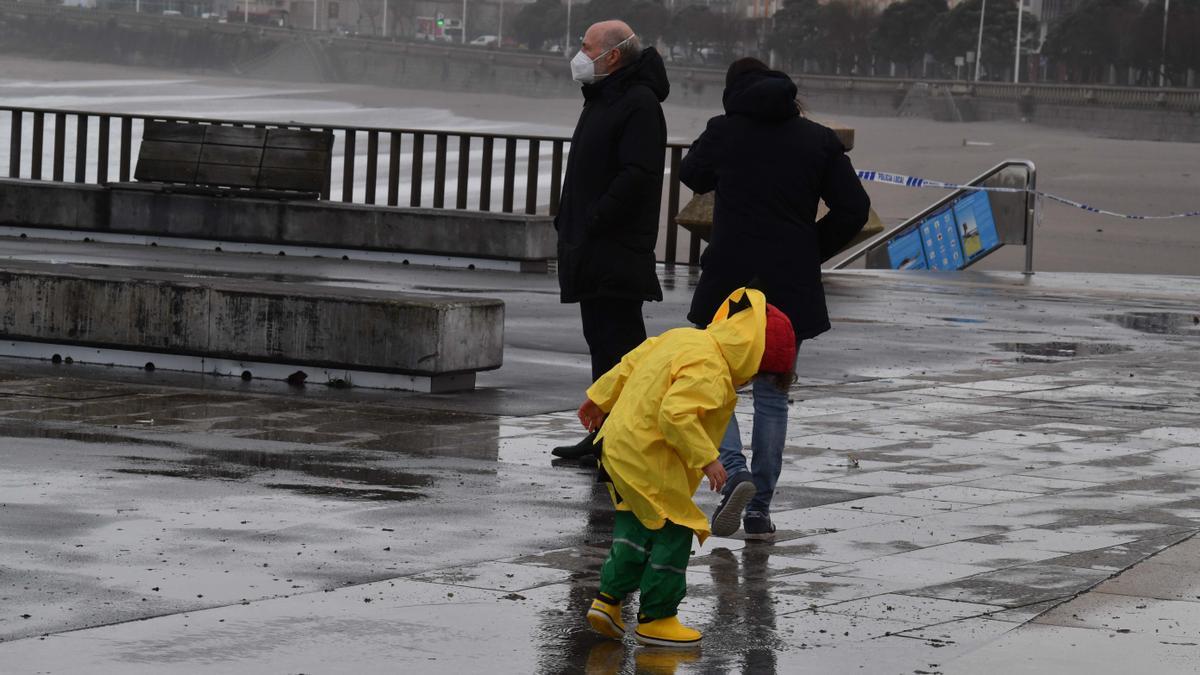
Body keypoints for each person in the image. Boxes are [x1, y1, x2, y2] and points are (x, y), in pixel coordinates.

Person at [680, 58, 871, 540]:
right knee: (772, 396)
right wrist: (810, 249)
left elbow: (692, 174)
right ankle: (759, 510)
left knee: (715, 386)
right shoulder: (818, 139)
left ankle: (732, 474)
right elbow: (853, 208)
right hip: (789, 286)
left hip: (730, 284)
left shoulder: (725, 130)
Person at [579, 288, 797, 647]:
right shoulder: (712, 371)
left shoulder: (686, 338)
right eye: (755, 376)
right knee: (677, 527)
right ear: (753, 358)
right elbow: (675, 415)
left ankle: (608, 602)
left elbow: (632, 361)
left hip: (618, 444)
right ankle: (657, 618)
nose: (747, 383)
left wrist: (599, 397)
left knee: (636, 523)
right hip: (650, 454)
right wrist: (707, 459)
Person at [550, 20, 670, 463]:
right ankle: (602, 435)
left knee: (621, 350)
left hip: (615, 248)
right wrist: (570, 220)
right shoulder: (604, 97)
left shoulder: (638, 103)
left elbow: (637, 175)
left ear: (612, 55)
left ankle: (625, 444)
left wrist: (596, 218)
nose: (579, 55)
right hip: (591, 245)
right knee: (601, 344)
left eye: (585, 47)